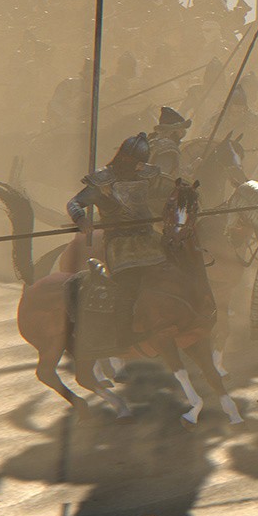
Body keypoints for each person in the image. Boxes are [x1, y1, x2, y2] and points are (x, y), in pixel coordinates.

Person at [65, 133, 171, 356]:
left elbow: (171, 190)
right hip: (120, 243)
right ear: (123, 158)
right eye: (134, 162)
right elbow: (74, 203)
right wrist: (81, 219)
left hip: (148, 238)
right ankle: (124, 335)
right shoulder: (103, 181)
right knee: (129, 284)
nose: (138, 167)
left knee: (175, 267)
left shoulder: (148, 176)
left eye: (141, 163)